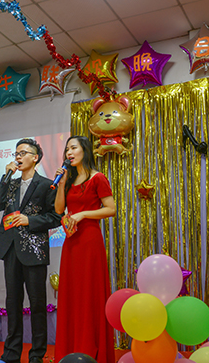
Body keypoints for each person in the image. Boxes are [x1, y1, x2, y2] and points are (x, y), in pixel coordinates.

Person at [0, 138, 62, 363]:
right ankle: (11, 354)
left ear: (35, 157)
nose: (18, 157)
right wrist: (5, 177)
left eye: (23, 153)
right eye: (16, 153)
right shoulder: (10, 183)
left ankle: (37, 355)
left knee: (37, 304)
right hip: (10, 248)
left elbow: (55, 217)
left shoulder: (47, 184)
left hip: (34, 249)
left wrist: (30, 220)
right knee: (13, 302)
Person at [53, 136, 116, 363]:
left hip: (90, 241)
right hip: (71, 242)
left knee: (89, 294)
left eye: (73, 148)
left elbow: (111, 209)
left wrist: (83, 214)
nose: (69, 153)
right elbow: (59, 210)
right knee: (72, 295)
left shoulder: (97, 178)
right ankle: (70, 350)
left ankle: (91, 350)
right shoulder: (68, 179)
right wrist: (62, 184)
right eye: (67, 149)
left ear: (84, 150)